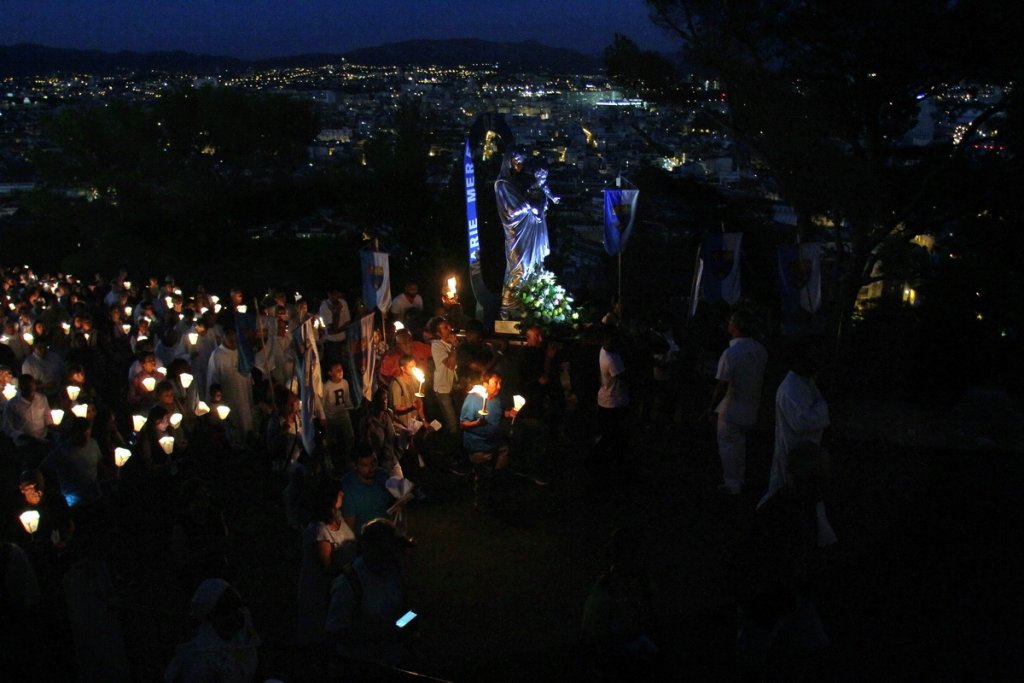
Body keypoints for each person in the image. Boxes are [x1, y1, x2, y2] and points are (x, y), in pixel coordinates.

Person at [732, 441, 830, 679]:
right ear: (810, 479)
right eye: (823, 477)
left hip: (783, 598)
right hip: (769, 602)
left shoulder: (796, 509)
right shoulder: (781, 517)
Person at [760, 340, 837, 546]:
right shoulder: (790, 389)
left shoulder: (803, 382)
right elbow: (802, 422)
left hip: (806, 452)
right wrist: (823, 406)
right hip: (797, 453)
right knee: (795, 496)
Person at [326, 517, 411, 670]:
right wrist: (376, 636)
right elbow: (336, 631)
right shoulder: (349, 582)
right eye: (385, 547)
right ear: (368, 547)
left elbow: (406, 611)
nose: (392, 553)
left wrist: (402, 626)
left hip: (391, 661)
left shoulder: (395, 573)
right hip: (359, 666)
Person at [707, 311, 768, 495]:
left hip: (731, 409)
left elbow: (722, 385)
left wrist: (711, 408)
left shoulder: (731, 353)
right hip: (751, 408)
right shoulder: (760, 350)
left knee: (727, 446)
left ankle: (732, 483)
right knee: (740, 446)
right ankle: (739, 479)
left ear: (735, 327)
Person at [494, 148, 556, 319]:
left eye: (522, 162)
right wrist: (530, 203)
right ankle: (506, 306)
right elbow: (512, 211)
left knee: (531, 266)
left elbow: (536, 196)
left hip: (530, 228)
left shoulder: (519, 183)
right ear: (509, 162)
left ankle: (525, 302)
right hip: (516, 231)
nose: (520, 166)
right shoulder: (502, 184)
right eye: (517, 162)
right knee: (518, 267)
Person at [297, 479, 357, 646]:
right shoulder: (319, 530)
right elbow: (327, 568)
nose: (343, 494)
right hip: (322, 596)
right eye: (339, 492)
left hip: (341, 590)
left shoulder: (338, 518)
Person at [164, 579, 260, 683]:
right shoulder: (199, 658)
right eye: (225, 610)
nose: (236, 613)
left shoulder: (246, 639)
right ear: (210, 617)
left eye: (237, 605)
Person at [206, 328, 254, 445]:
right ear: (224, 337)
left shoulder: (241, 352)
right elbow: (213, 381)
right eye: (230, 339)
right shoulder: (217, 355)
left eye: (235, 339)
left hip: (244, 397)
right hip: (228, 398)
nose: (233, 342)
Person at [595, 326, 629, 467]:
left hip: (604, 398)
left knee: (607, 431)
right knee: (614, 433)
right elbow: (623, 376)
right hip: (614, 401)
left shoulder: (603, 351)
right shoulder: (612, 359)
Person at [341, 449, 396, 538]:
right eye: (365, 465)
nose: (372, 468)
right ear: (355, 466)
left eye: (374, 462)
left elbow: (393, 502)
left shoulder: (383, 475)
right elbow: (349, 526)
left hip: (386, 532)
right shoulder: (348, 486)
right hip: (364, 539)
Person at [428, 316, 460, 443]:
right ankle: (452, 445)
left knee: (457, 417)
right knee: (452, 421)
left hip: (456, 387)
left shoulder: (455, 342)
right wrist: (454, 347)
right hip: (443, 388)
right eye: (445, 328)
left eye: (449, 326)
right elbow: (451, 365)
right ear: (438, 333)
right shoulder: (437, 346)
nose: (450, 329)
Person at [321, 362, 356, 471]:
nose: (340, 371)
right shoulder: (326, 387)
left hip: (343, 415)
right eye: (337, 370)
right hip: (331, 418)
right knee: (332, 442)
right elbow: (321, 404)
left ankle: (348, 459)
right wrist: (323, 417)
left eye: (341, 369)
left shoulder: (345, 383)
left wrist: (351, 408)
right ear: (330, 373)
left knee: (350, 437)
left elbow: (346, 399)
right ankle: (333, 463)